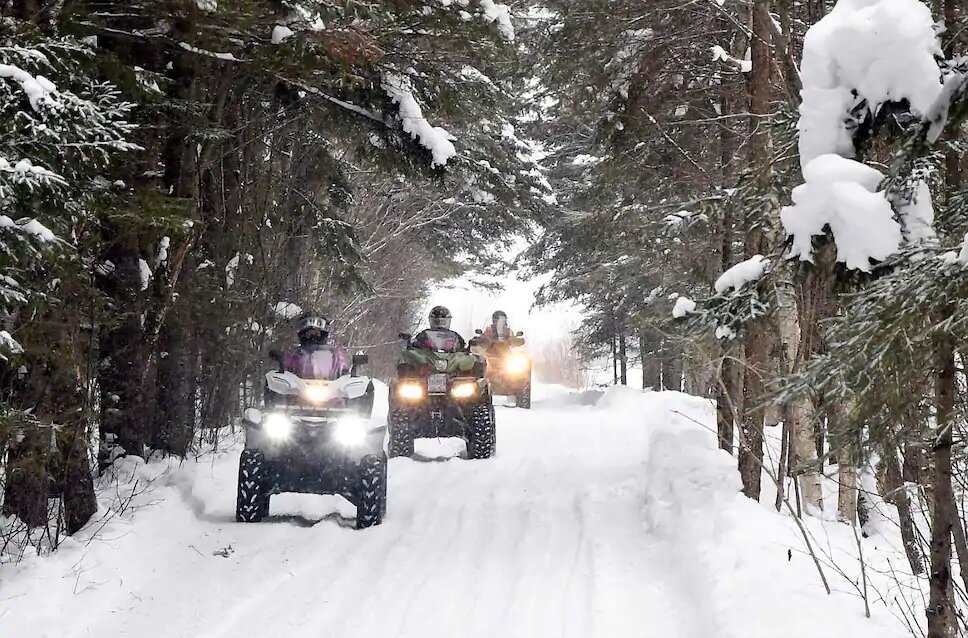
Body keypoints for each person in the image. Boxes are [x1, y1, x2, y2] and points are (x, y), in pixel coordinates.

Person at [280, 312, 350, 380]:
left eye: (317, 332)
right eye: (310, 332)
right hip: (298, 389)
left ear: (322, 333)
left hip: (330, 389)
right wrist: (281, 361)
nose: (314, 334)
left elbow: (343, 370)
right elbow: (286, 369)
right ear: (303, 333)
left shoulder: (334, 354)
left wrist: (346, 378)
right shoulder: (295, 354)